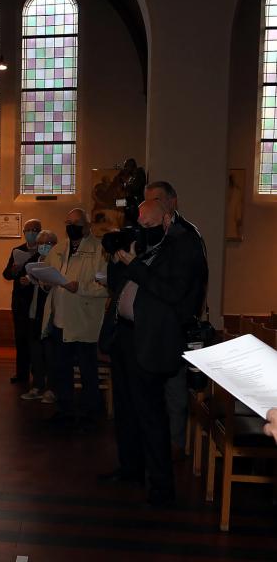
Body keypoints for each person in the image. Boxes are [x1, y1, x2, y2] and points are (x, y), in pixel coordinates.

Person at [100, 200, 206, 505]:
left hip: (151, 341)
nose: (143, 229)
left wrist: (134, 264)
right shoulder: (145, 245)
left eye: (149, 224)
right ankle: (131, 469)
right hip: (126, 336)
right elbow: (120, 285)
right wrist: (118, 255)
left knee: (150, 415)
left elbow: (172, 293)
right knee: (126, 410)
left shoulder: (184, 247)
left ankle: (161, 486)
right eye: (140, 224)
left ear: (167, 218)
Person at [144, 180, 209, 454]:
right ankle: (156, 441)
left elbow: (186, 286)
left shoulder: (185, 235)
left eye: (157, 200)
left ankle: (175, 443)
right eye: (147, 201)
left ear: (172, 202)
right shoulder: (155, 234)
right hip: (155, 326)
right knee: (155, 390)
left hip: (177, 323)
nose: (152, 206)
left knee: (175, 389)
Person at [40, 208, 107, 426]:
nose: (71, 226)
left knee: (88, 369)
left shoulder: (99, 250)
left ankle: (91, 413)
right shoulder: (59, 249)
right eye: (68, 222)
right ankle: (65, 410)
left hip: (85, 320)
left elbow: (106, 287)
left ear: (87, 225)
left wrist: (79, 287)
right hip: (61, 319)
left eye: (76, 222)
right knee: (62, 369)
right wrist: (44, 281)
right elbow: (47, 274)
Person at [20, 230, 58, 403]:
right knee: (35, 350)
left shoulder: (58, 261)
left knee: (50, 352)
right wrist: (28, 280)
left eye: (47, 243)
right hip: (35, 311)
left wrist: (44, 283)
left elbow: (57, 284)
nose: (43, 246)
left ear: (54, 244)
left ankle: (51, 388)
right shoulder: (36, 260)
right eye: (41, 243)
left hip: (51, 312)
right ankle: (37, 385)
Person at [3, 218, 42, 384]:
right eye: (28, 230)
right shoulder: (17, 250)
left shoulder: (45, 251)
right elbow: (6, 275)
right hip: (20, 301)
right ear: (24, 232)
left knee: (37, 338)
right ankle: (21, 374)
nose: (31, 233)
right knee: (21, 338)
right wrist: (14, 270)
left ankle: (39, 374)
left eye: (35, 230)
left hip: (38, 300)